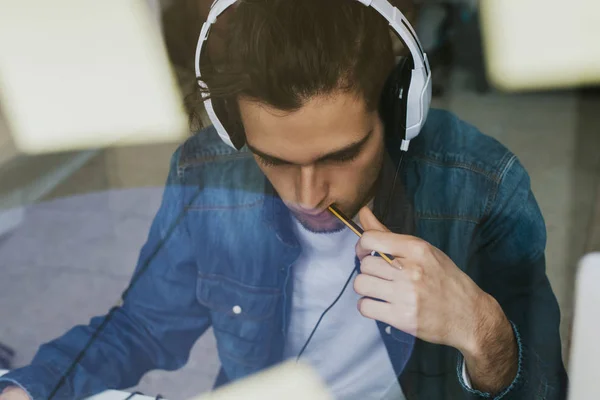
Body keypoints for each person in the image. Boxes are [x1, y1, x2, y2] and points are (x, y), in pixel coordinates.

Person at [0, 0, 568, 399]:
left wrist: (483, 330)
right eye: (274, 159)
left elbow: (546, 389)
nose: (308, 195)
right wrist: (30, 390)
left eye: (342, 154)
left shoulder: (483, 183)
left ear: (399, 112)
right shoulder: (206, 171)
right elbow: (146, 327)